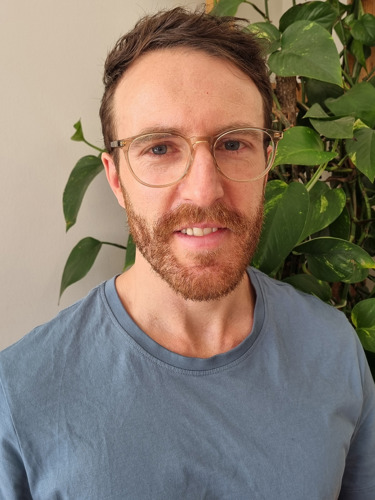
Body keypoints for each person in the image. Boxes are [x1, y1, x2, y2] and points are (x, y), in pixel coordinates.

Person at [1, 7, 374, 499]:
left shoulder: (333, 351)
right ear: (116, 178)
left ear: (268, 161)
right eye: (159, 148)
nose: (204, 191)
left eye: (234, 143)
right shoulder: (21, 393)